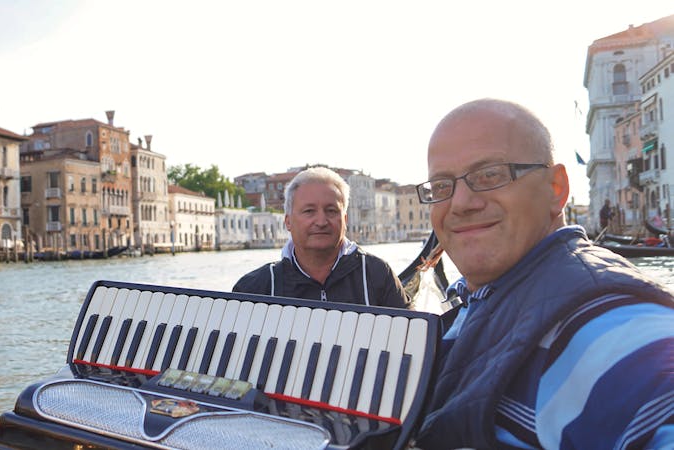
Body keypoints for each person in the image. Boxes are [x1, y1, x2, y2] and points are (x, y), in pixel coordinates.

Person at [413, 98, 673, 449]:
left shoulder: (613, 327)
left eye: (490, 175)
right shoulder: (477, 297)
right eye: (442, 186)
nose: (460, 203)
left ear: (556, 189)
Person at [232, 166, 409, 308]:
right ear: (288, 222)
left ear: (345, 220)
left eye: (331, 211)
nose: (321, 221)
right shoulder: (254, 289)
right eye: (309, 211)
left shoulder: (377, 274)